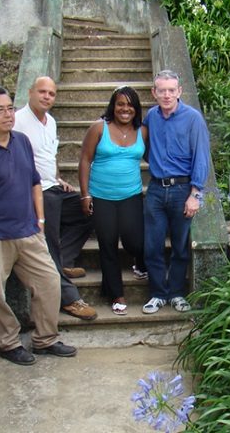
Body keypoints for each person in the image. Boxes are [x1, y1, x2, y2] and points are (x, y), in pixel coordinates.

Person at [0, 86, 77, 366]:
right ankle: (8, 343)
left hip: (29, 232)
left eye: (10, 108)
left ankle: (45, 339)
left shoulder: (22, 142)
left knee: (50, 282)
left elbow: (35, 182)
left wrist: (39, 220)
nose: (7, 114)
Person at [14, 76, 96, 321]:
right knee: (48, 241)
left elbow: (48, 155)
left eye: (51, 93)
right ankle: (68, 297)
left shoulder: (50, 121)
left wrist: (58, 177)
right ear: (30, 92)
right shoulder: (17, 122)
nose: (47, 97)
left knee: (92, 209)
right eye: (42, 92)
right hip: (36, 192)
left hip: (53, 186)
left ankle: (65, 259)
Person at [141, 70, 210, 314]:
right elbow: (145, 148)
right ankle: (158, 293)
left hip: (183, 189)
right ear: (154, 93)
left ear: (179, 91)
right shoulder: (151, 117)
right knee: (152, 245)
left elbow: (202, 157)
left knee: (181, 246)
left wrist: (195, 194)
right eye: (162, 90)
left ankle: (178, 293)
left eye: (172, 90)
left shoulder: (193, 119)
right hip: (157, 189)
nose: (167, 95)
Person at [78, 86, 148, 315]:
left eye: (130, 105)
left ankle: (140, 262)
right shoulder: (99, 128)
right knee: (107, 244)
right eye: (120, 104)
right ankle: (116, 294)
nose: (125, 109)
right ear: (113, 106)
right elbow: (85, 161)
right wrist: (85, 194)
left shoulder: (143, 132)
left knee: (135, 241)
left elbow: (154, 158)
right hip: (101, 196)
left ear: (136, 109)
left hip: (131, 194)